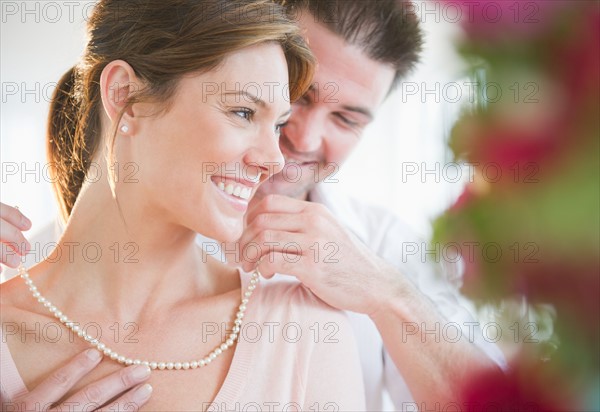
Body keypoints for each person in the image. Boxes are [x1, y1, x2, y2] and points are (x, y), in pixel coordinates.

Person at [1, 0, 507, 410]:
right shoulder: (38, 263)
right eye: (299, 98)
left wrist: (385, 294)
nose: (296, 143)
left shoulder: (374, 258)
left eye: (347, 119)